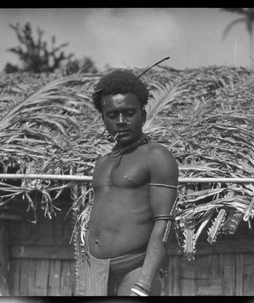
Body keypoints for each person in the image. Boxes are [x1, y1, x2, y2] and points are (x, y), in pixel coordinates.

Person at [76, 70, 179, 296]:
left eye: (128, 113)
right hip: (95, 272)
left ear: (142, 115)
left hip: (134, 271)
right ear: (103, 119)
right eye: (112, 115)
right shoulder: (103, 162)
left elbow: (164, 224)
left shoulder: (157, 156)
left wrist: (144, 284)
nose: (121, 122)